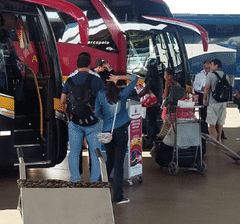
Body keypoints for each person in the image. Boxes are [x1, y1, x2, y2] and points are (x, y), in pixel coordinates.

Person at [58, 54, 105, 182]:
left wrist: (74, 105)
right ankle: (94, 180)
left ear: (76, 65)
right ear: (89, 65)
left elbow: (62, 101)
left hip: (75, 121)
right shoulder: (97, 80)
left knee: (74, 152)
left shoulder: (70, 80)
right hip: (93, 121)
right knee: (95, 152)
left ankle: (75, 178)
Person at [94, 73, 138, 204]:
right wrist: (120, 77)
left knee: (110, 161)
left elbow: (97, 113)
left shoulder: (100, 95)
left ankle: (99, 188)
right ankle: (117, 197)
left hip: (107, 132)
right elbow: (135, 79)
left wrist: (105, 120)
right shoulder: (122, 94)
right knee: (119, 164)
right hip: (121, 131)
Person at [137, 60, 163, 145]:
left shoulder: (150, 80)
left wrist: (138, 95)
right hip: (157, 103)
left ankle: (154, 138)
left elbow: (145, 90)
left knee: (151, 122)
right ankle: (155, 137)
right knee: (153, 120)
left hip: (151, 103)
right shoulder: (159, 79)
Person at [203, 59, 229, 142]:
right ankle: (219, 138)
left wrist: (204, 98)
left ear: (216, 65)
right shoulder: (226, 75)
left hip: (213, 101)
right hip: (223, 102)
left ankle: (212, 138)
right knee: (220, 120)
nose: (210, 66)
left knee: (212, 121)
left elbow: (207, 87)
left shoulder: (210, 75)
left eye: (211, 65)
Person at [157, 68, 186, 140]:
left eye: (165, 74)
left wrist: (163, 95)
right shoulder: (177, 83)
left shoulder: (168, 82)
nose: (164, 76)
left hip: (169, 105)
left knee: (166, 122)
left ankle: (163, 138)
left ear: (170, 75)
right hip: (177, 106)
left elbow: (166, 94)